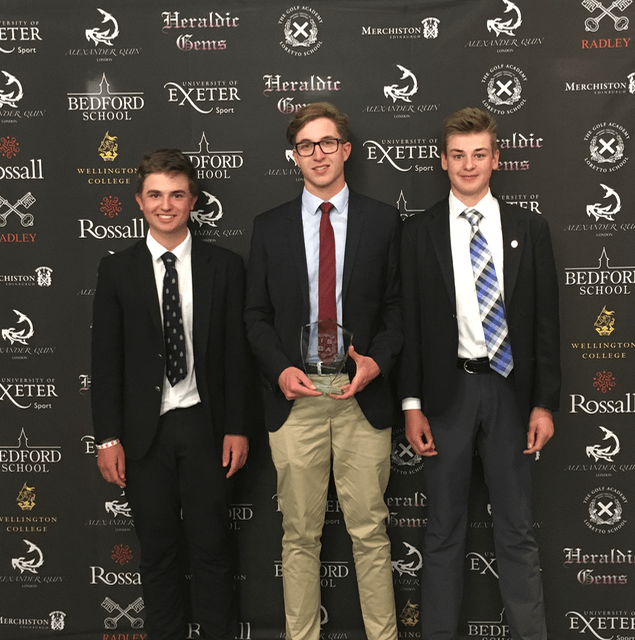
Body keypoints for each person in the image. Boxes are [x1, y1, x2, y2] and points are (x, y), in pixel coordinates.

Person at [400, 107, 560, 640]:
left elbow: (545, 323)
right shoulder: (418, 232)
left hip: (510, 393)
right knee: (443, 530)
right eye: (458, 155)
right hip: (447, 395)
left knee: (516, 529)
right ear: (443, 162)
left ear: (495, 159)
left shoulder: (529, 229)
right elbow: (410, 325)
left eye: (479, 154)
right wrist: (411, 405)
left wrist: (543, 403)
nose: (469, 165)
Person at [244, 102, 401, 640]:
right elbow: (255, 315)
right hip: (297, 398)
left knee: (371, 535)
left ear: (346, 149)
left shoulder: (383, 221)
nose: (318, 154)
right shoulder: (270, 227)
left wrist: (377, 362)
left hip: (361, 395)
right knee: (298, 536)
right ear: (294, 156)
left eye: (327, 142)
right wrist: (280, 370)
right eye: (306, 145)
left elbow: (398, 309)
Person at [91, 149, 250, 640]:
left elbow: (237, 356)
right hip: (145, 434)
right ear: (139, 201)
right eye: (155, 195)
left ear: (193, 201)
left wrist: (237, 427)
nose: (166, 205)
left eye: (177, 195)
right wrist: (107, 438)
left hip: (206, 426)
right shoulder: (116, 270)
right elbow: (105, 362)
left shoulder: (225, 266)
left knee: (212, 551)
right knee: (157, 554)